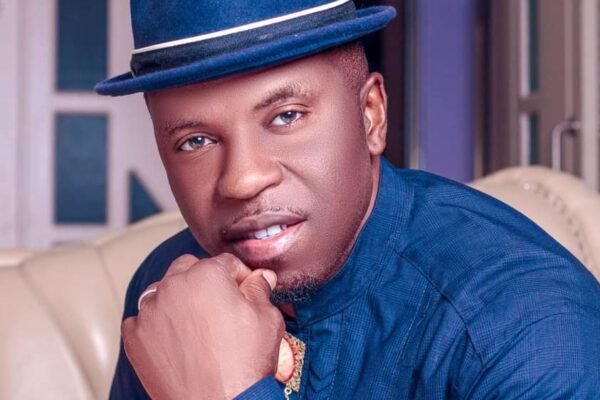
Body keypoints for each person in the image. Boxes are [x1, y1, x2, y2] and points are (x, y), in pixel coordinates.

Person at [96, 0, 600, 399]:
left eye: (286, 116)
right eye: (194, 141)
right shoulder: (168, 292)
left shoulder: (526, 326)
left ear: (371, 115)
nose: (242, 180)